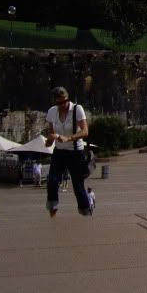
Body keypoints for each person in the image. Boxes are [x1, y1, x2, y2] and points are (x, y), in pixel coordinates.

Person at [44, 85, 92, 217]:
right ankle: (53, 206)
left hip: (75, 152)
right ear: (55, 102)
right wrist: (50, 140)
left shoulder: (77, 109)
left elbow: (85, 131)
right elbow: (51, 132)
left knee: (78, 185)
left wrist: (69, 138)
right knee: (52, 180)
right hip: (59, 151)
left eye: (65, 101)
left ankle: (85, 209)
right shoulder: (52, 112)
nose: (63, 104)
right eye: (60, 102)